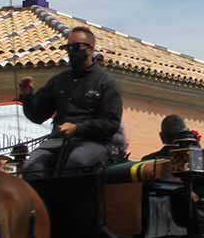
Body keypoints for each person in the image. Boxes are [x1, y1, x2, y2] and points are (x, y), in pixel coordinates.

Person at [18, 26, 124, 178]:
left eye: (76, 47)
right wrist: (27, 96)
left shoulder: (105, 82)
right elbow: (37, 116)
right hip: (58, 141)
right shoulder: (58, 81)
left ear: (90, 49)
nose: (71, 51)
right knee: (31, 167)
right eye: (68, 48)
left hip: (94, 143)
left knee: (76, 162)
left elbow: (111, 123)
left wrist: (77, 128)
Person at [142, 114, 204, 202]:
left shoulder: (147, 161)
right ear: (186, 134)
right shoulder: (196, 160)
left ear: (162, 136)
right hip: (190, 209)